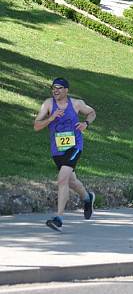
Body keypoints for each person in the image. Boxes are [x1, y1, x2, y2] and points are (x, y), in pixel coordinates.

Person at [34, 77, 96, 232]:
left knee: (62, 179)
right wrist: (51, 118)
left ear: (66, 90)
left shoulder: (76, 104)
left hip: (74, 147)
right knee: (71, 182)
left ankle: (59, 218)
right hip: (57, 150)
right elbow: (36, 126)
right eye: (53, 88)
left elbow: (92, 112)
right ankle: (88, 198)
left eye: (59, 88)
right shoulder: (48, 104)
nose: (55, 90)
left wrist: (85, 124)